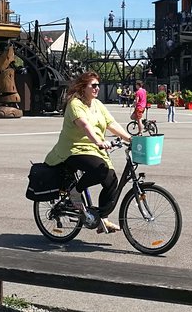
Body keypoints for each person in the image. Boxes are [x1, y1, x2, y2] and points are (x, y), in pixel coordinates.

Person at [44, 72, 132, 234]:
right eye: (93, 85)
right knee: (100, 170)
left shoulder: (97, 104)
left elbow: (111, 123)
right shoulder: (75, 104)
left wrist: (130, 138)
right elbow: (85, 125)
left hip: (93, 150)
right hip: (73, 149)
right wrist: (99, 142)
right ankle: (75, 191)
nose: (97, 88)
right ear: (83, 87)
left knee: (111, 180)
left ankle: (102, 219)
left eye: (98, 85)